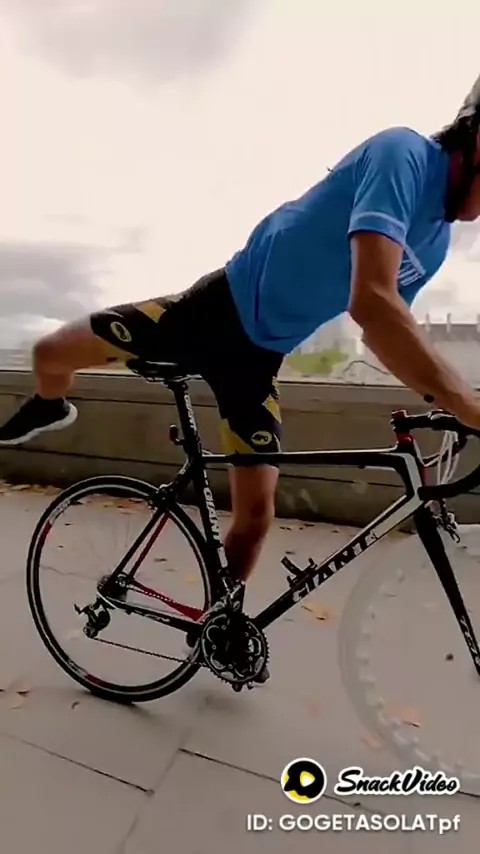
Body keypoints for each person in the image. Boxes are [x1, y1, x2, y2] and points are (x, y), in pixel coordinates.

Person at [2, 74, 480, 595]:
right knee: (49, 353)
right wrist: (466, 402)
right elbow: (371, 299)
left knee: (254, 520)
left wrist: (445, 401)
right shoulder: (403, 155)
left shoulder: (436, 243)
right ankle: (50, 405)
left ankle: (217, 621)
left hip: (258, 360)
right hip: (206, 316)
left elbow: (382, 332)